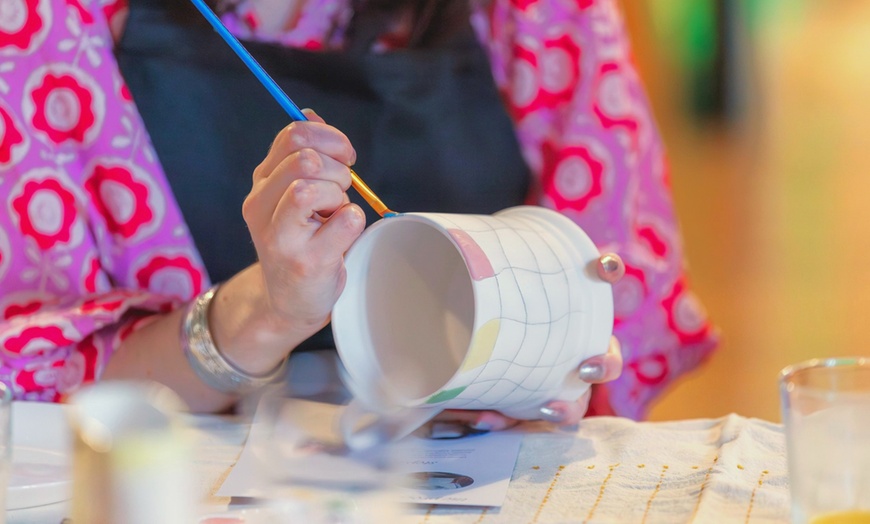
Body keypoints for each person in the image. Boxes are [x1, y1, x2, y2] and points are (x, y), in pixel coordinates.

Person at [0, 0, 716, 425]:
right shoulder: (48, 22)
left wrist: (529, 364)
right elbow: (36, 389)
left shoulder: (533, 12)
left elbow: (625, 286)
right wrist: (265, 313)